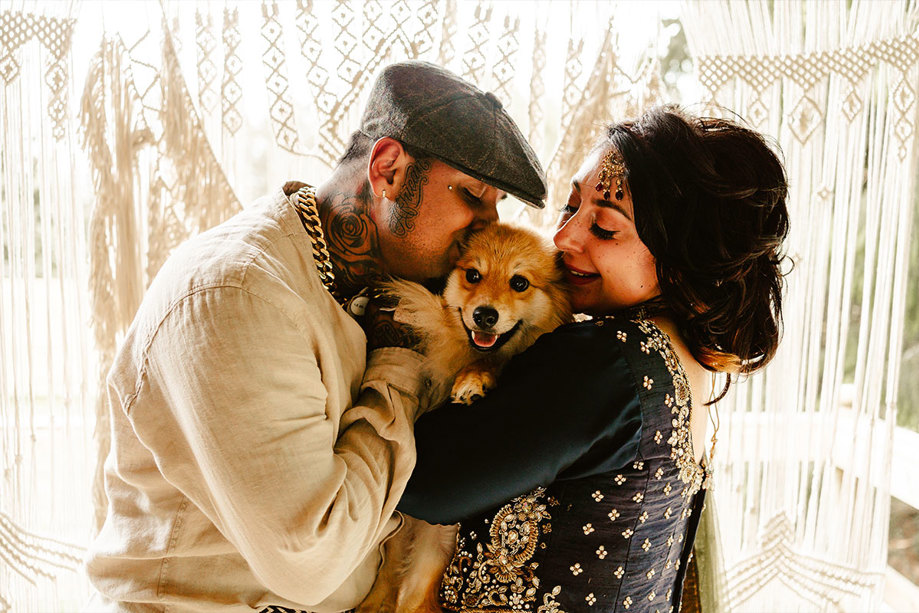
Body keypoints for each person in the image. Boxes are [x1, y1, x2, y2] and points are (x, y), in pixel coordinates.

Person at [85, 61, 546, 612]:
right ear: (389, 170)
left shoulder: (375, 286)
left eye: (496, 206)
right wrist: (398, 367)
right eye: (473, 196)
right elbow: (310, 559)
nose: (487, 224)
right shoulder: (238, 297)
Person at [398, 105, 789, 612]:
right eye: (570, 207)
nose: (563, 240)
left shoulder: (609, 361)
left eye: (603, 228)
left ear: (679, 258)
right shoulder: (685, 361)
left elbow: (423, 482)